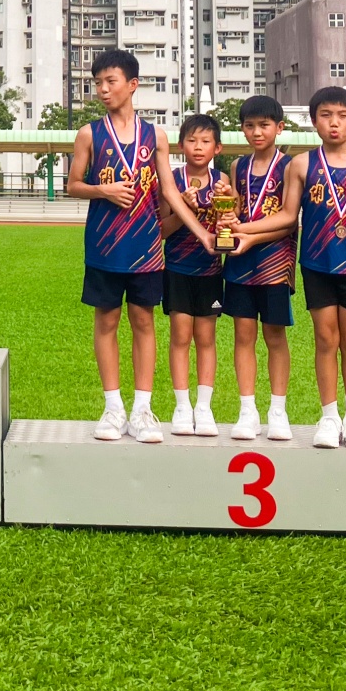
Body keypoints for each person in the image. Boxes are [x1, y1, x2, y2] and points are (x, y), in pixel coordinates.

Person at [67, 48, 213, 443]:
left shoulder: (156, 136)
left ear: (132, 85)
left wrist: (201, 233)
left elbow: (170, 191)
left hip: (147, 248)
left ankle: (142, 409)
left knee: (144, 322)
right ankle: (113, 408)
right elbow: (73, 184)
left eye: (110, 81)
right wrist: (104, 190)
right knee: (106, 322)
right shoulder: (89, 134)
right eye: (97, 83)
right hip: (103, 247)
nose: (102, 89)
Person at [277, 85, 346, 449]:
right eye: (325, 116)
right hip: (316, 265)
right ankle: (328, 417)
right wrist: (245, 230)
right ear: (313, 121)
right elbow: (288, 216)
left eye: (342, 116)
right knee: (326, 340)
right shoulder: (301, 165)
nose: (334, 123)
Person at [219, 96, 296, 442]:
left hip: (275, 262)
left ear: (279, 128)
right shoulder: (238, 166)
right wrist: (226, 209)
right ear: (242, 129)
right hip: (240, 261)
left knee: (275, 335)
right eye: (249, 126)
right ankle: (247, 410)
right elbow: (235, 210)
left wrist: (246, 233)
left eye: (264, 125)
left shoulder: (291, 166)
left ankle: (278, 411)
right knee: (243, 334)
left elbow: (290, 221)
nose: (257, 132)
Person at [158, 113, 225, 437]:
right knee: (181, 337)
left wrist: (227, 207)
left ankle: (204, 407)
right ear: (180, 145)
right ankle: (182, 406)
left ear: (217, 148)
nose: (198, 147)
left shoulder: (223, 181)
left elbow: (229, 227)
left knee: (206, 339)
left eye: (206, 141)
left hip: (211, 272)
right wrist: (183, 208)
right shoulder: (171, 181)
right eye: (192, 140)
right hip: (177, 270)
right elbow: (162, 230)